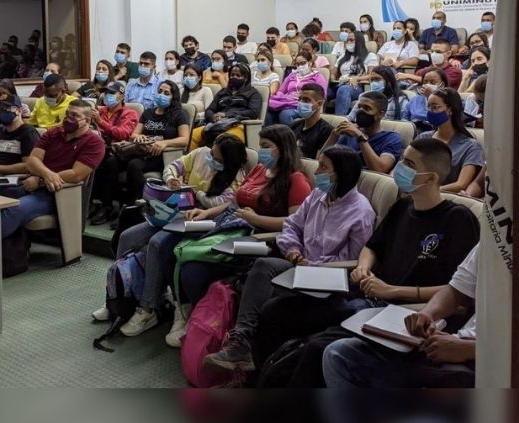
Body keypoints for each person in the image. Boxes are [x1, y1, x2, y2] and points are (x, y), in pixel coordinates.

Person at [248, 138, 480, 382]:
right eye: (402, 160)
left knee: (316, 348)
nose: (399, 168)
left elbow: (459, 291)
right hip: (365, 295)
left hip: (400, 310)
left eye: (409, 164)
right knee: (275, 311)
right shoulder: (402, 207)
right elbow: (372, 247)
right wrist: (363, 267)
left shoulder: (458, 219)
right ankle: (254, 375)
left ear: (431, 178)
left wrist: (392, 290)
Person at [202, 147, 374, 372]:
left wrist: (312, 265)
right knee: (262, 267)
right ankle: (242, 344)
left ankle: (259, 369)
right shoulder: (317, 196)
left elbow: (354, 259)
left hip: (328, 278)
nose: (318, 172)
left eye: (324, 167)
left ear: (341, 172)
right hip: (299, 265)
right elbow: (292, 225)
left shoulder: (360, 212)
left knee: (270, 302)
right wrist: (292, 250)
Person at [96, 135, 249, 342]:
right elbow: (172, 167)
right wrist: (172, 180)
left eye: (219, 160)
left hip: (201, 221)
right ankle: (118, 296)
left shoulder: (238, 174)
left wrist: (193, 192)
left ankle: (147, 308)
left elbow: (222, 202)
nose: (213, 160)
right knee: (127, 237)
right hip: (174, 212)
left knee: (157, 243)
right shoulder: (200, 154)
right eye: (213, 154)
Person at [0, 100, 104, 276]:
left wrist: (41, 179)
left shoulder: (94, 142)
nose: (68, 119)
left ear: (87, 120)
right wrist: (45, 175)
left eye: (75, 116)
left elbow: (76, 174)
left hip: (57, 194)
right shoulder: (55, 133)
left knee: (15, 208)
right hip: (30, 181)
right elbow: (33, 160)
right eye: (67, 114)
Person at [180, 125, 313, 306]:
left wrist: (255, 219)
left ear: (282, 147)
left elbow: (295, 223)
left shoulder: (296, 179)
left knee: (192, 269)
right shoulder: (259, 169)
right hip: (231, 225)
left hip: (258, 239)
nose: (261, 151)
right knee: (171, 243)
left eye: (266, 146)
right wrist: (206, 213)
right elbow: (234, 203)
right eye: (260, 145)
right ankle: (182, 311)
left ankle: (202, 318)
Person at [323, 243, 480, 388]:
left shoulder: (460, 217)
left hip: (480, 363)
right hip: (448, 345)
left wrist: (471, 349)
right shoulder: (491, 241)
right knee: (338, 354)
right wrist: (427, 312)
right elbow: (456, 289)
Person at [120, 81, 191, 204]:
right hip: (142, 150)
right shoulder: (148, 112)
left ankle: (141, 205)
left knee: (134, 165)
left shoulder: (179, 114)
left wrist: (165, 143)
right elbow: (134, 135)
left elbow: (184, 139)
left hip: (161, 155)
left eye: (166, 93)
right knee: (111, 162)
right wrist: (139, 137)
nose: (161, 95)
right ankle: (107, 206)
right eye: (159, 91)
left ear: (173, 97)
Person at [89, 82, 141, 225]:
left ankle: (107, 207)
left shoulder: (129, 113)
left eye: (112, 93)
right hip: (97, 149)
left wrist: (100, 122)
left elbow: (124, 134)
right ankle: (91, 203)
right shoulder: (99, 110)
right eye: (106, 93)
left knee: (109, 162)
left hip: (117, 152)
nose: (108, 96)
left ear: (121, 96)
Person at [416, 88, 484, 193]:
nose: (430, 111)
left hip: (446, 199)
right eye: (428, 107)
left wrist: (429, 191)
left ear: (451, 110)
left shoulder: (470, 146)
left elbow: (461, 184)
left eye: (435, 107)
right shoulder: (423, 138)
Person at [322, 92, 403, 173]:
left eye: (367, 108)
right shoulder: (350, 132)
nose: (360, 111)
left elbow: (380, 169)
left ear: (380, 114)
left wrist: (360, 137)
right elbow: (322, 160)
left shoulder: (392, 138)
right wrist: (334, 135)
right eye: (359, 107)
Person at [190, 63, 261, 149]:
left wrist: (226, 115)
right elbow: (209, 110)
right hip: (216, 124)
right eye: (232, 75)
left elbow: (253, 112)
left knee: (223, 141)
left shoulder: (253, 93)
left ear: (246, 78)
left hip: (238, 125)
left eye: (238, 75)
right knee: (192, 136)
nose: (234, 77)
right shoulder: (222, 92)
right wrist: (213, 117)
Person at [264, 50, 328, 126]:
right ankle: (271, 136)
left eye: (302, 63)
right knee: (267, 112)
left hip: (303, 104)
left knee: (285, 114)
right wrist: (284, 97)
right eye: (297, 64)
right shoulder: (292, 75)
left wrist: (303, 96)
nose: (300, 66)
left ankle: (292, 137)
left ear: (310, 62)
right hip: (286, 102)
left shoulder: (317, 76)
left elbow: (322, 95)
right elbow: (281, 91)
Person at [331, 31, 378, 116]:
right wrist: (331, 77)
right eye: (348, 40)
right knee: (320, 90)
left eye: (352, 40)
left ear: (360, 41)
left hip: (357, 86)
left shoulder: (370, 56)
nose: (349, 43)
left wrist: (357, 78)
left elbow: (372, 75)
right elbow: (333, 73)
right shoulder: (342, 56)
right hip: (339, 84)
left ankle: (338, 121)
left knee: (344, 90)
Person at [397, 39, 462, 90]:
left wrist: (408, 76)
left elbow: (437, 83)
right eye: (432, 51)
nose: (433, 54)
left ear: (448, 53)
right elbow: (414, 80)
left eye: (438, 52)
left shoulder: (455, 72)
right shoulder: (426, 69)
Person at [290, 84, 333, 159]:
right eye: (299, 99)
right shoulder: (294, 125)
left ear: (319, 104)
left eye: (306, 100)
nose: (301, 103)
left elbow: (319, 161)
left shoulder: (326, 131)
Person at [401, 67, 449, 133]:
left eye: (432, 82)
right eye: (425, 82)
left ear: (442, 85)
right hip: (414, 132)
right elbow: (404, 120)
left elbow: (444, 120)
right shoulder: (415, 100)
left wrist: (433, 96)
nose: (427, 85)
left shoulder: (449, 100)